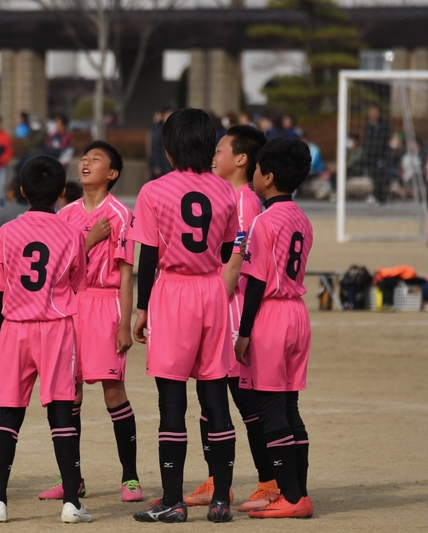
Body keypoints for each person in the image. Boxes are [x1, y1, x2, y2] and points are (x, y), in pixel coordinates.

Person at [129, 108, 238, 524]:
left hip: (172, 294)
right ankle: (221, 499)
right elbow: (228, 252)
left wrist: (141, 309)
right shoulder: (225, 191)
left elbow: (149, 257)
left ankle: (172, 500)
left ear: (170, 146)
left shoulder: (155, 190)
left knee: (171, 401)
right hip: (212, 292)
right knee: (215, 399)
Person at [0, 155, 91, 524]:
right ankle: (72, 503)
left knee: (8, 416)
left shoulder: (7, 231)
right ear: (62, 192)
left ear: (23, 191)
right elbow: (77, 285)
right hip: (56, 329)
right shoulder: (73, 232)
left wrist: (0, 339)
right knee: (61, 414)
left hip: (15, 328)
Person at [183, 125, 279, 512]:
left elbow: (241, 260)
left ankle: (269, 481)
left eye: (220, 149)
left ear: (241, 159)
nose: (214, 154)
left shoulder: (244, 201)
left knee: (244, 401)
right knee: (209, 401)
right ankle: (214, 479)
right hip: (215, 309)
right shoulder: (224, 194)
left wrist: (214, 295)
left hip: (232, 311)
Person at [43, 141, 142, 503]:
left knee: (113, 391)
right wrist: (87, 240)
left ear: (112, 173)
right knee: (70, 393)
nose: (86, 162)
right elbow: (57, 267)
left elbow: (127, 273)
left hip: (105, 303)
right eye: (84, 158)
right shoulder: (64, 214)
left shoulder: (121, 215)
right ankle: (72, 478)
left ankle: (130, 478)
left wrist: (124, 322)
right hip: (70, 305)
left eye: (96, 159)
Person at [234, 137, 314, 519]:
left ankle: (292, 497)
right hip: (298, 313)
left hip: (271, 315)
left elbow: (256, 284)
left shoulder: (264, 222)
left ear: (267, 175)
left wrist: (243, 332)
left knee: (270, 407)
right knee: (290, 403)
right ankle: (299, 490)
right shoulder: (302, 217)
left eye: (257, 170)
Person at [363, 104, 392, 205]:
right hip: (370, 155)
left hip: (381, 155)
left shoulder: (384, 125)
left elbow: (385, 140)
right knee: (373, 176)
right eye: (370, 111)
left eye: (374, 111)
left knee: (380, 175)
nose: (372, 114)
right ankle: (376, 196)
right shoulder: (368, 125)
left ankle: (379, 197)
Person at [149, 107, 174, 181]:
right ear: (162, 115)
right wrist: (157, 164)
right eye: (167, 114)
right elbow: (155, 147)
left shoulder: (171, 128)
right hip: (162, 164)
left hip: (169, 164)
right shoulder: (158, 129)